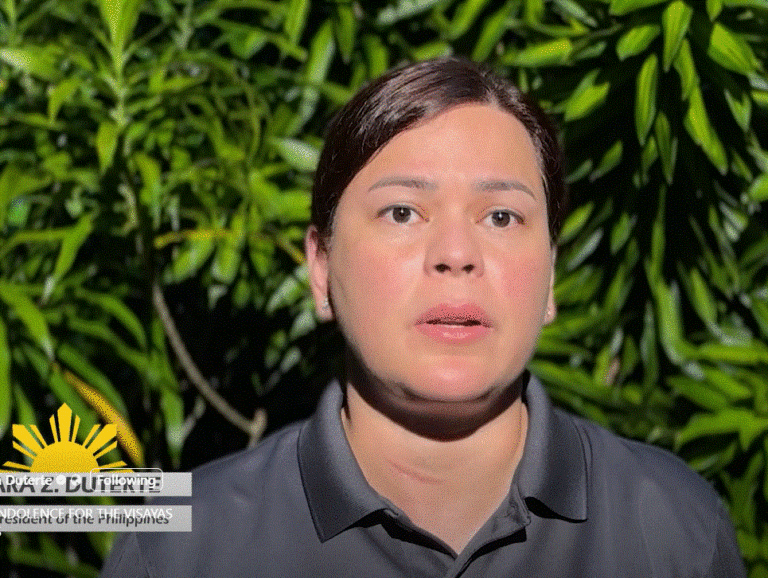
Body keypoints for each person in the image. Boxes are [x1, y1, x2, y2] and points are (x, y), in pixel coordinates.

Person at [100, 57, 746, 577]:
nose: (456, 254)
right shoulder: (181, 549)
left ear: (550, 275)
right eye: (403, 212)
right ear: (321, 268)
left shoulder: (671, 528)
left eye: (501, 217)